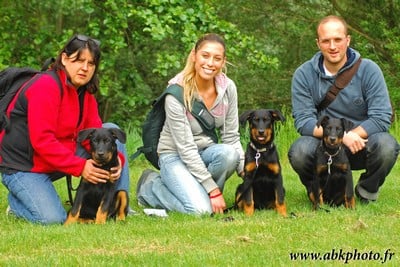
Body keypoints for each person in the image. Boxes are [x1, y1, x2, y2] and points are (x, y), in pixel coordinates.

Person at [0, 34, 130, 224]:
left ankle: (118, 207)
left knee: (111, 130)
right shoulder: (45, 86)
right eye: (79, 60)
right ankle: (18, 202)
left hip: (56, 157)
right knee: (53, 219)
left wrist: (118, 161)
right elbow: (42, 141)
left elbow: (90, 135)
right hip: (23, 165)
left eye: (91, 63)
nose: (85, 68)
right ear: (64, 58)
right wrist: (80, 166)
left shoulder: (86, 93)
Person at [288, 15, 399, 203]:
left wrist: (351, 136)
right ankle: (319, 191)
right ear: (318, 43)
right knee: (299, 151)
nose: (332, 46)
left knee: (387, 146)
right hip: (324, 145)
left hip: (361, 144)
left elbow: (381, 116)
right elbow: (303, 121)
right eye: (326, 41)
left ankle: (366, 191)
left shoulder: (369, 70)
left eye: (338, 39)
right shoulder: (303, 74)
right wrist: (341, 137)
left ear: (347, 40)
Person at [136, 33, 245, 215]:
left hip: (206, 152)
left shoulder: (228, 88)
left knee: (229, 154)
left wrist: (246, 174)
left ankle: (202, 196)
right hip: (174, 155)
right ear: (194, 55)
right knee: (200, 211)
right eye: (205, 56)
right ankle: (151, 186)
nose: (210, 63)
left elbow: (231, 137)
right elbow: (185, 149)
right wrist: (213, 190)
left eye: (217, 58)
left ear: (223, 61)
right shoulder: (176, 93)